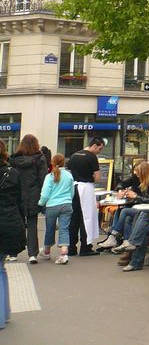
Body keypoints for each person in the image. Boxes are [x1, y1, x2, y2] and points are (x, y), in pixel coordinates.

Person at [97, 161, 149, 249]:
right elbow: (123, 184)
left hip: (146, 210)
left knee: (125, 210)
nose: (136, 175)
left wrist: (135, 196)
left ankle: (114, 236)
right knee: (123, 213)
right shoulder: (143, 181)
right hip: (140, 207)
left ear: (143, 173)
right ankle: (125, 241)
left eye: (138, 173)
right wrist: (122, 191)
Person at [0, 141, 26, 328]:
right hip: (10, 223)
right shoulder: (14, 173)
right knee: (1, 270)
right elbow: (20, 201)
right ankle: (4, 312)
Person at [10, 134, 47, 263]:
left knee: (17, 225)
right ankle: (32, 254)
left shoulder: (14, 160)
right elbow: (43, 179)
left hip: (17, 195)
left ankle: (13, 253)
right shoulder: (40, 159)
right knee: (32, 225)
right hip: (33, 195)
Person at [66, 137, 104, 256]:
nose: (99, 151)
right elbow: (97, 177)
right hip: (86, 188)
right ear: (94, 145)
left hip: (74, 187)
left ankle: (71, 247)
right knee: (87, 217)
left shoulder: (73, 156)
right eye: (100, 148)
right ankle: (85, 246)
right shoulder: (92, 157)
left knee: (74, 218)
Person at [37, 154, 74, 265]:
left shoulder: (49, 177)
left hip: (52, 206)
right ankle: (64, 254)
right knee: (64, 228)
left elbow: (45, 194)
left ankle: (47, 251)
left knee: (50, 228)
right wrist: (68, 200)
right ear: (64, 163)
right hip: (66, 204)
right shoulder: (69, 175)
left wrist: (40, 203)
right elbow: (72, 192)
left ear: (52, 163)